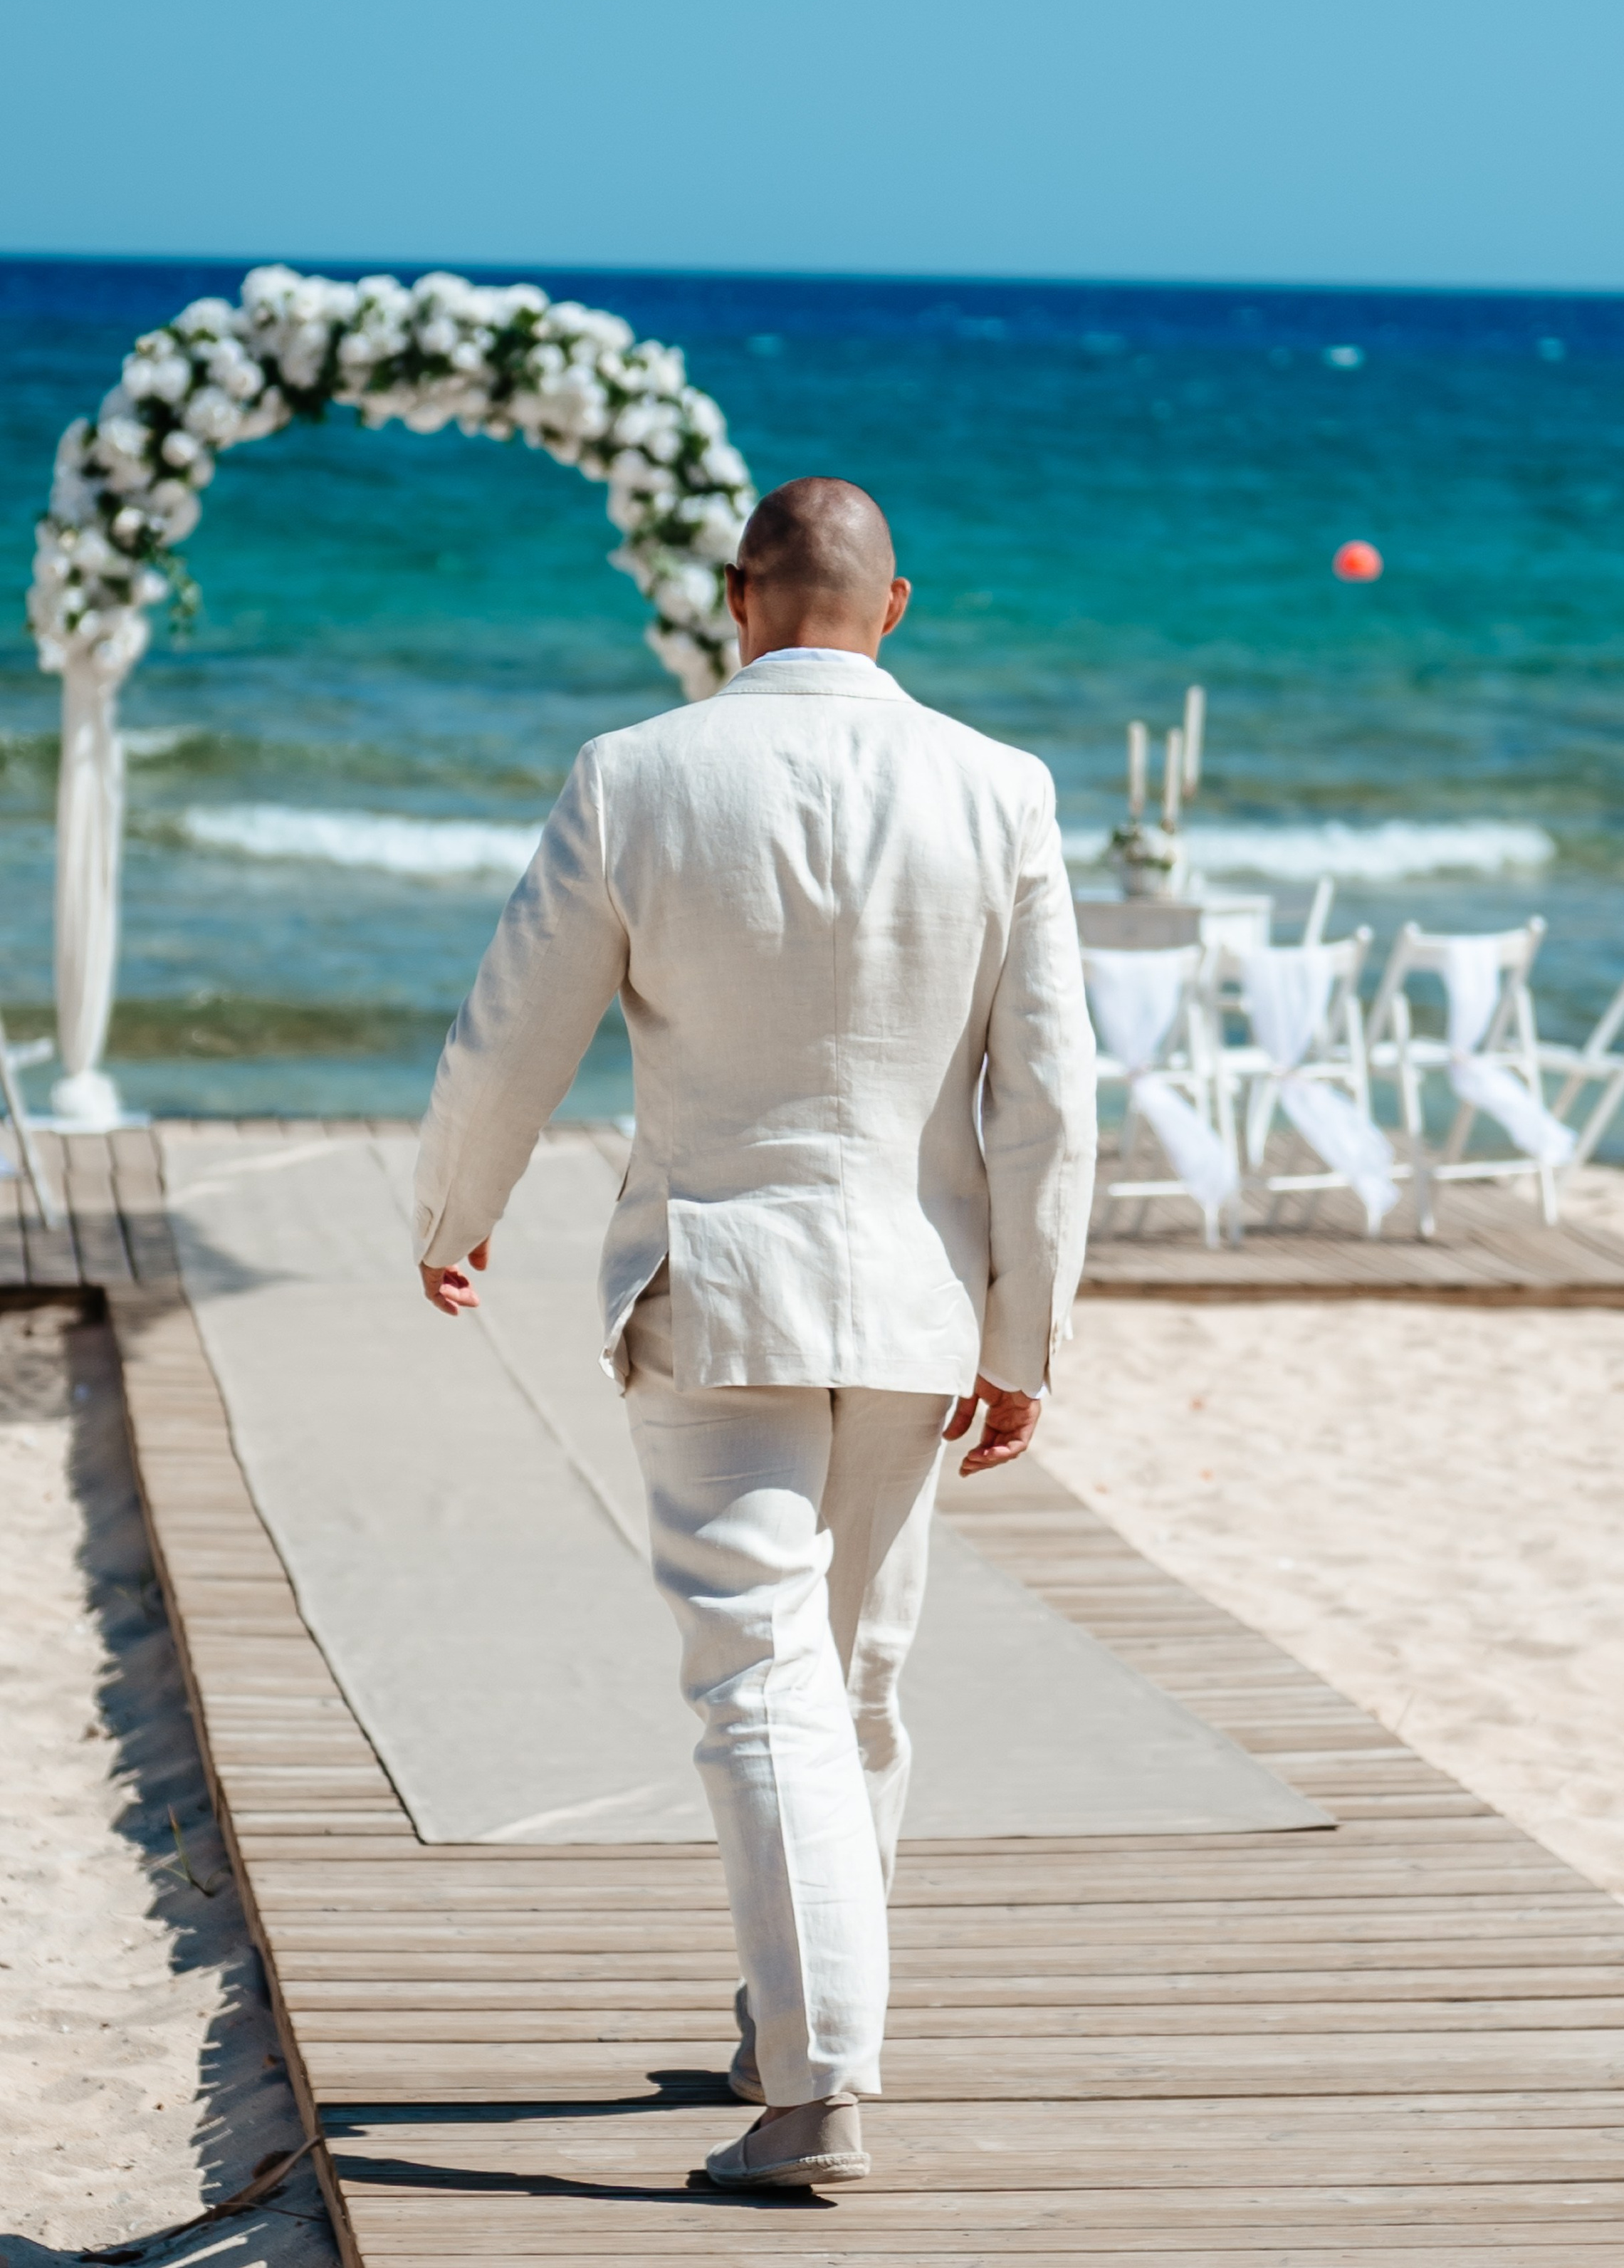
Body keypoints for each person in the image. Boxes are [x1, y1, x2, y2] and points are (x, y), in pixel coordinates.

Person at [413, 475, 1096, 2190]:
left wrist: (453, 1207)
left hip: (718, 1290)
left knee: (761, 1678)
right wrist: (1026, 1331)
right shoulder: (999, 785)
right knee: (846, 1680)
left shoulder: (634, 774)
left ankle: (814, 2084)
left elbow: (511, 1026)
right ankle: (789, 2022)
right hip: (916, 1302)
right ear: (895, 605)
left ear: (737, 596)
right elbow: (1047, 1099)